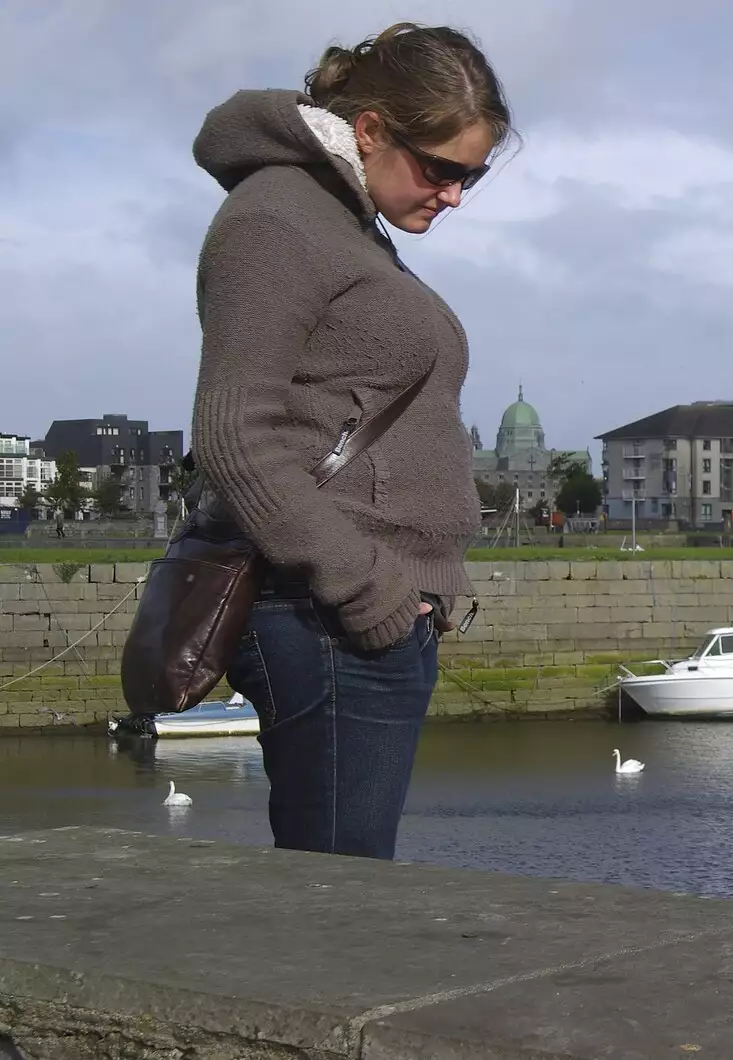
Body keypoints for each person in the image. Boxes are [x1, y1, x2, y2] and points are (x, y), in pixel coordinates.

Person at [188, 23, 512, 859]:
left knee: (340, 891)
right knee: (337, 904)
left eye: (472, 175)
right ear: (369, 129)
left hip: (353, 617)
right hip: (325, 619)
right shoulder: (279, 221)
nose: (455, 195)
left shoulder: (342, 219)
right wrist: (373, 597)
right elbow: (233, 433)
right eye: (442, 168)